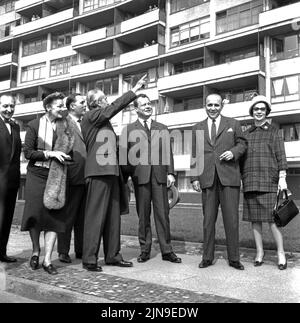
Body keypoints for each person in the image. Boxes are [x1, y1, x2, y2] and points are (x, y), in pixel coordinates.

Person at [81, 75, 147, 272]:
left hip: (111, 173)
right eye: (104, 99)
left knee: (113, 217)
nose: (107, 102)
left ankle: (112, 255)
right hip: (98, 173)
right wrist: (133, 91)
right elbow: (111, 110)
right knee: (95, 217)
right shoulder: (91, 116)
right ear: (96, 103)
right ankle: (90, 258)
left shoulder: (102, 120)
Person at [122, 94, 181, 264]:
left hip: (159, 176)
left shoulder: (162, 127)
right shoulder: (129, 130)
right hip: (140, 177)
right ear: (136, 109)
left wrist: (171, 173)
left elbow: (167, 152)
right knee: (143, 216)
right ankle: (145, 250)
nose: (148, 106)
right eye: (144, 104)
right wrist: (127, 178)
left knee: (163, 214)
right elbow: (125, 157)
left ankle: (167, 250)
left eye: (149, 104)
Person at [191, 93, 247, 270]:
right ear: (205, 106)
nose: (213, 108)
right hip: (207, 178)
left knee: (231, 220)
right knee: (208, 221)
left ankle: (234, 258)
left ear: (221, 106)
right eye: (209, 105)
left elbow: (243, 144)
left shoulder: (233, 124)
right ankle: (207, 257)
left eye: (216, 105)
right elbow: (195, 154)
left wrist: (233, 152)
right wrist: (194, 177)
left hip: (229, 177)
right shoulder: (197, 127)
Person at [21, 92, 75, 275]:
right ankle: (36, 251)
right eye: (59, 105)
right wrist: (50, 154)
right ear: (48, 108)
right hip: (37, 174)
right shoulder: (34, 125)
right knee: (35, 216)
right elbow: (28, 153)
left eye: (63, 105)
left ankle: (47, 260)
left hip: (57, 174)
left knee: (54, 217)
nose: (63, 108)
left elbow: (71, 152)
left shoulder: (66, 127)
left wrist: (67, 158)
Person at [241, 95, 288, 270]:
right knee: (255, 220)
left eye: (262, 109)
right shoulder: (246, 134)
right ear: (252, 112)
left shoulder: (275, 131)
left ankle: (281, 253)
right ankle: (259, 252)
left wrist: (282, 178)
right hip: (250, 180)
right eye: (256, 109)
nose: (259, 111)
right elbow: (241, 159)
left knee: (272, 220)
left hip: (270, 180)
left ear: (266, 111)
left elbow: (281, 156)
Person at [57, 94, 87, 263]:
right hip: (71, 175)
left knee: (82, 217)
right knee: (68, 215)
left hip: (86, 176)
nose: (85, 105)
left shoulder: (85, 123)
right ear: (71, 106)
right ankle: (63, 251)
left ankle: (81, 250)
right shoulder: (64, 122)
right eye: (81, 102)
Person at [0, 94, 21, 263]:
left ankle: (2, 252)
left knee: (7, 218)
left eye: (11, 106)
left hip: (12, 181)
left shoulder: (15, 126)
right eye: (5, 106)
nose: (9, 109)